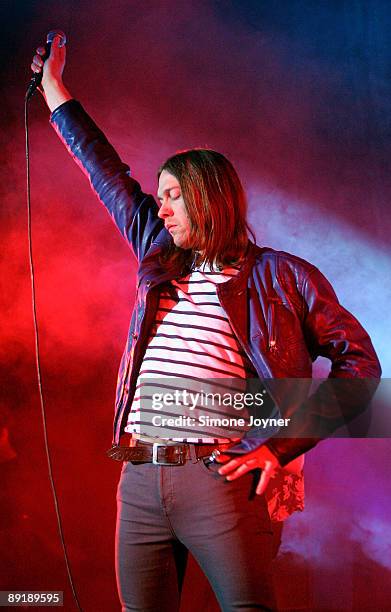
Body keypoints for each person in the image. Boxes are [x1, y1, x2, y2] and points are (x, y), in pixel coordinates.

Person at [30, 37, 381, 611]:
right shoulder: (158, 253)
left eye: (172, 195)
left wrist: (283, 447)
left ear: (209, 198)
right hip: (141, 474)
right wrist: (53, 88)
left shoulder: (280, 276)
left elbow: (361, 366)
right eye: (160, 197)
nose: (160, 208)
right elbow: (106, 173)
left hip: (222, 474)